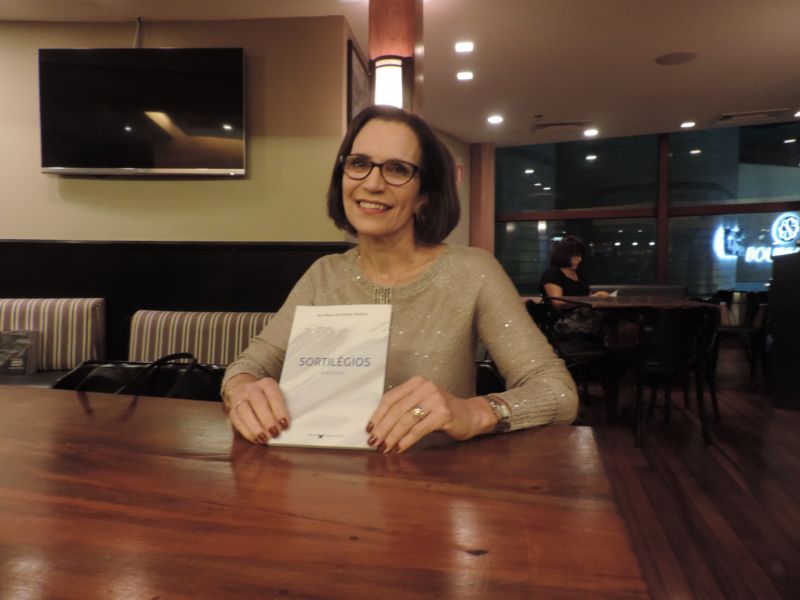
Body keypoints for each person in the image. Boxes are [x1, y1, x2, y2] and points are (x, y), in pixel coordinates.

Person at [221, 105, 578, 452]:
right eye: (359, 164)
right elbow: (249, 365)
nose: (372, 183)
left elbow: (558, 391)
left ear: (424, 195)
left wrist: (476, 412)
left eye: (397, 169)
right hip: (324, 478)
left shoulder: (472, 271)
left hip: (433, 480)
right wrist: (242, 389)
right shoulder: (323, 275)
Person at [539, 235, 608, 336]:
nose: (579, 259)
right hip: (564, 320)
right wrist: (590, 299)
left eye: (580, 256)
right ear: (565, 255)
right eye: (576, 256)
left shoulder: (579, 274)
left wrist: (598, 297)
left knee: (616, 316)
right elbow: (558, 303)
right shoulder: (553, 273)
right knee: (612, 320)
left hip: (584, 315)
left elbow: (586, 295)